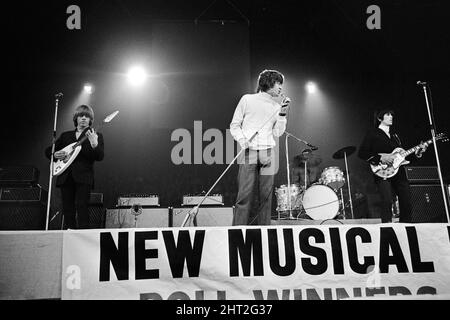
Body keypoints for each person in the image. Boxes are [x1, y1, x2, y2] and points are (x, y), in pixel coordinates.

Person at [230, 69, 289, 225]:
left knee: (266, 196)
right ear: (268, 82)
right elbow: (234, 125)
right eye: (278, 83)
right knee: (244, 195)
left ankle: (265, 231)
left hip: (268, 152)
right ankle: (238, 231)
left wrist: (282, 115)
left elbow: (278, 132)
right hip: (249, 151)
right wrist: (243, 140)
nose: (281, 88)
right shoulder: (247, 99)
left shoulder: (276, 106)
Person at [358, 109, 427, 223]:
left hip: (399, 172)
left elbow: (402, 156)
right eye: (387, 114)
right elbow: (362, 153)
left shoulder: (395, 136)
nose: (391, 117)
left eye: (392, 115)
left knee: (406, 199)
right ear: (380, 118)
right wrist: (380, 158)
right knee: (387, 200)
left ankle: (406, 226)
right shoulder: (373, 133)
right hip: (382, 171)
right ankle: (387, 228)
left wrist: (418, 152)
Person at [45, 105, 104, 229]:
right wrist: (55, 154)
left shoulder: (96, 135)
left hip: (84, 177)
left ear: (90, 120)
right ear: (76, 118)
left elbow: (99, 156)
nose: (83, 118)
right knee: (67, 208)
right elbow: (48, 151)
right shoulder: (66, 136)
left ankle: (83, 236)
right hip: (65, 176)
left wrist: (94, 143)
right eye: (81, 115)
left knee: (82, 206)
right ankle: (68, 233)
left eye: (87, 116)